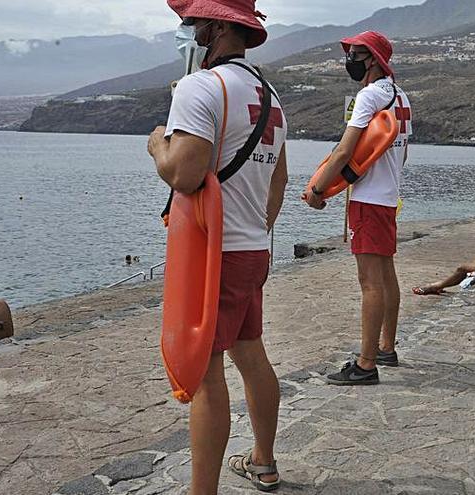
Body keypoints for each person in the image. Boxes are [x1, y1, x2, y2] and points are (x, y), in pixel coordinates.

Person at [147, 0, 287, 492]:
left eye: (191, 22)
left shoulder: (200, 86)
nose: (186, 31)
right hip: (253, 250)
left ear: (220, 27)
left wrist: (158, 142)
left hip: (214, 256)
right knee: (251, 354)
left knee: (206, 374)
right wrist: (257, 230)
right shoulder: (269, 95)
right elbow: (279, 180)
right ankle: (264, 462)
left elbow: (184, 174)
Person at [303, 31, 412, 385]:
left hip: (368, 201)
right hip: (389, 196)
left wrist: (318, 190)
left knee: (370, 283)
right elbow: (402, 152)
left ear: (373, 60)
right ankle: (386, 346)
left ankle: (366, 364)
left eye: (355, 53)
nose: (349, 59)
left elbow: (344, 152)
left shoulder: (369, 97)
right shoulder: (401, 97)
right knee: (386, 274)